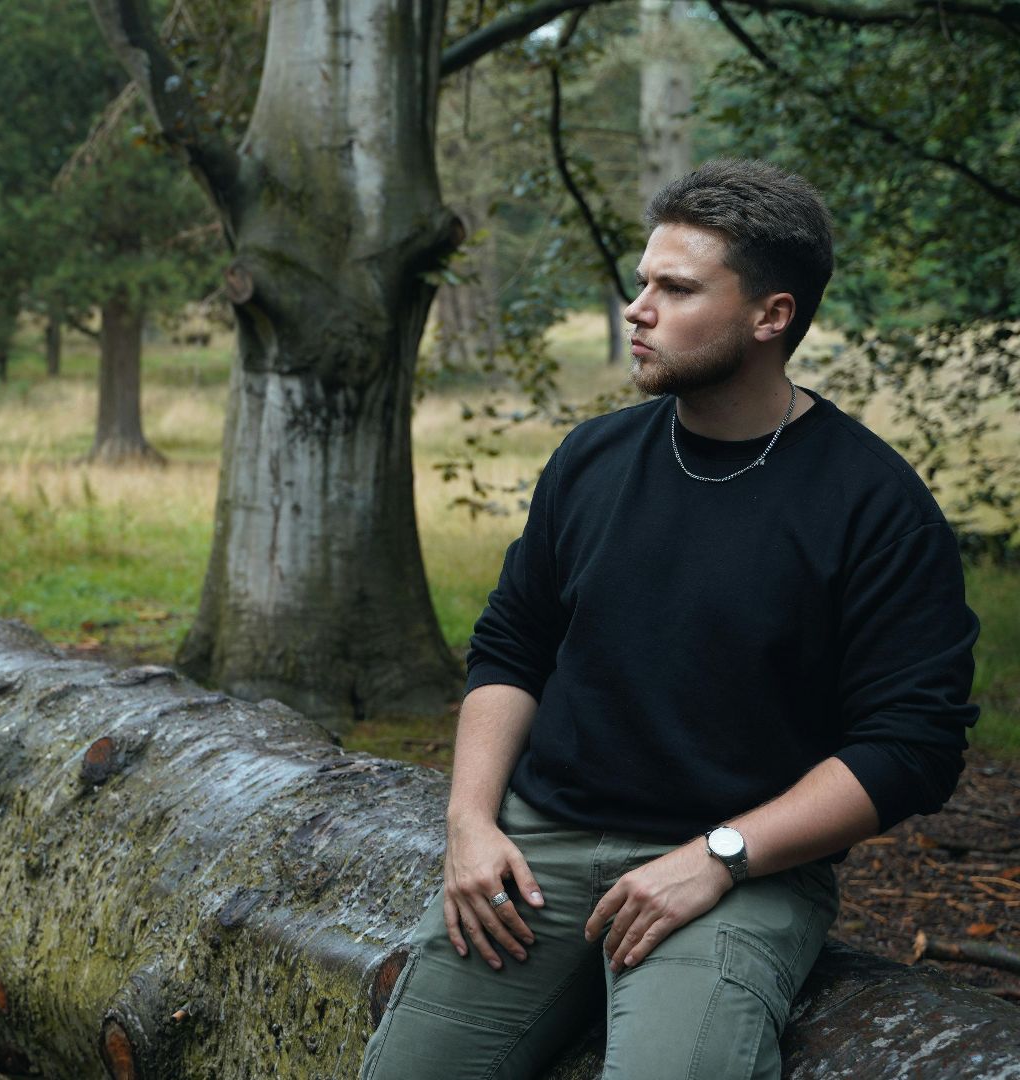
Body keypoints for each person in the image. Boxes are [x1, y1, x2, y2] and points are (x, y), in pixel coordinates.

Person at [359, 159, 978, 1080]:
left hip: (743, 867)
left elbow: (912, 746)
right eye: (642, 280)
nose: (637, 308)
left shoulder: (873, 504)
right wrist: (471, 821)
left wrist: (721, 856)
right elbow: (512, 647)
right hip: (542, 846)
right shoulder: (594, 458)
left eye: (676, 288)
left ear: (771, 317)